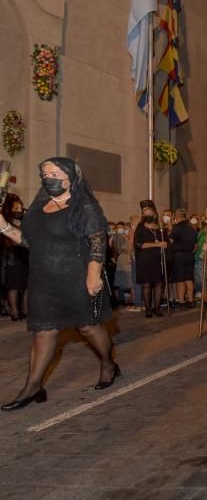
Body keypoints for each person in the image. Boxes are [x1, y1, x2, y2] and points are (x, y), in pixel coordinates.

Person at [0, 157, 121, 411]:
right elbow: (27, 240)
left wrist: (93, 275)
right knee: (44, 332)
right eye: (45, 173)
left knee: (88, 327)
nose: (49, 177)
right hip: (43, 280)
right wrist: (3, 226)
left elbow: (97, 242)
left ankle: (108, 363)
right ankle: (33, 386)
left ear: (71, 177)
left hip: (77, 277)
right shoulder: (38, 207)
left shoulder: (85, 206)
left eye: (55, 172)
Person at [134, 202, 167, 318]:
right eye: (144, 212)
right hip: (145, 260)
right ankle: (148, 309)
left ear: (154, 213)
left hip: (158, 260)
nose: (146, 213)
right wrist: (156, 244)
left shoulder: (160, 227)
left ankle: (157, 308)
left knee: (159, 284)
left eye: (148, 211)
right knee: (147, 284)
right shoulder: (140, 227)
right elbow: (139, 244)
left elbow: (166, 242)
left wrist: (164, 244)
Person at [0, 194, 28, 321]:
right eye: (16, 208)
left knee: (25, 284)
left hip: (24, 256)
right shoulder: (5, 221)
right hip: (11, 257)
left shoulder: (25, 219)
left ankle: (24, 310)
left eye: (20, 208)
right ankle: (14, 312)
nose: (20, 211)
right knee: (13, 285)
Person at [169, 208, 197, 308]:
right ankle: (191, 300)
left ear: (177, 216)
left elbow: (170, 240)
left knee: (180, 279)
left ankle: (181, 302)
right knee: (189, 278)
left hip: (179, 256)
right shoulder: (191, 227)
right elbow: (195, 245)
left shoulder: (177, 227)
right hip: (190, 255)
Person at [112, 220, 132, 306]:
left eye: (124, 228)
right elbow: (117, 249)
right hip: (120, 261)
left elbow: (127, 249)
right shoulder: (116, 237)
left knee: (129, 281)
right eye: (119, 228)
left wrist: (126, 239)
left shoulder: (129, 237)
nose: (123, 230)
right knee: (119, 281)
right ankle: (121, 299)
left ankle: (132, 299)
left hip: (127, 262)